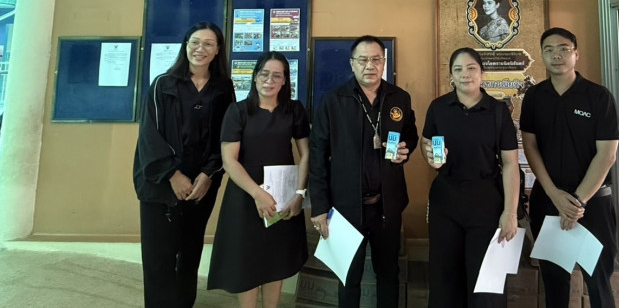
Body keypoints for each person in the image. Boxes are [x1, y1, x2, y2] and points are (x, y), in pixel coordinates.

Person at [308, 35, 418, 308]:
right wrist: (319, 206)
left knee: (388, 274)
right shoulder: (333, 101)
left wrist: (405, 149)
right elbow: (317, 157)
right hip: (345, 208)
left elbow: (410, 135)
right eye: (363, 60)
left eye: (376, 59)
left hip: (387, 207)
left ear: (384, 62)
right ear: (352, 64)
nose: (370, 65)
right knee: (348, 277)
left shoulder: (399, 98)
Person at [133, 21, 235, 308]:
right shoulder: (163, 84)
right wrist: (172, 175)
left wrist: (208, 174)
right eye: (195, 42)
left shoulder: (223, 88)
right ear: (186, 46)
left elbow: (226, 135)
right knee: (159, 256)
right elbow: (150, 135)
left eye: (208, 44)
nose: (200, 49)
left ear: (218, 50)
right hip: (161, 183)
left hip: (202, 185)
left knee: (190, 251)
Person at [519, 27, 619, 308]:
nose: (556, 55)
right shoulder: (535, 97)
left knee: (599, 283)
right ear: (542, 56)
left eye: (563, 49)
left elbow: (607, 155)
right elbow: (530, 147)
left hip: (593, 203)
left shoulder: (598, 97)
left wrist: (577, 203)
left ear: (576, 54)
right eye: (549, 50)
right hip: (548, 200)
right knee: (554, 283)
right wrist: (554, 195)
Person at [207, 51, 310, 307]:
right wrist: (257, 193)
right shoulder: (238, 111)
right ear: (255, 77)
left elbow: (307, 153)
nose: (269, 80)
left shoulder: (294, 110)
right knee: (247, 259)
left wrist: (300, 194)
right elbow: (229, 160)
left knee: (276, 257)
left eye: (277, 75)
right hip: (245, 195)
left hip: (282, 194)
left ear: (285, 80)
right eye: (264, 74)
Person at [421, 47, 519, 308]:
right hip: (446, 202)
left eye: (471, 68)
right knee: (444, 282)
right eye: (458, 69)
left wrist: (510, 213)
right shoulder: (438, 107)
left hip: (486, 203)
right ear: (451, 76)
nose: (465, 74)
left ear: (481, 73)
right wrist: (429, 155)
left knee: (486, 286)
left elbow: (510, 163)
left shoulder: (498, 111)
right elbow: (426, 142)